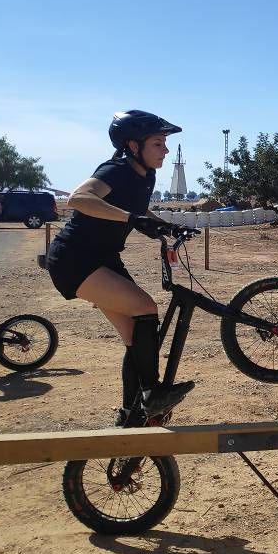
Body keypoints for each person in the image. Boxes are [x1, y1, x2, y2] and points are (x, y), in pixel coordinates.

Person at [46, 110, 195, 422]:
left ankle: (132, 412)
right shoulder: (116, 170)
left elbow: (138, 212)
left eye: (165, 144)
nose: (165, 151)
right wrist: (131, 218)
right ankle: (153, 395)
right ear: (133, 145)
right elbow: (79, 198)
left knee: (137, 340)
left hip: (104, 260)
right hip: (75, 258)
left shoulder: (146, 176)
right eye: (158, 143)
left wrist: (168, 226)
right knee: (145, 307)